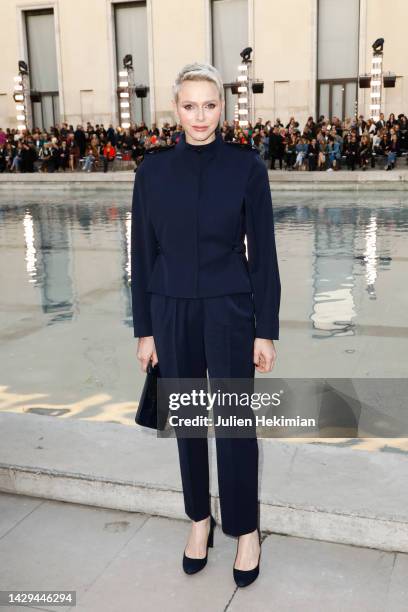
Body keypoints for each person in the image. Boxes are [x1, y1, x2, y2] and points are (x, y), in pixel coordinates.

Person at [131, 62, 281, 588]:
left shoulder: (247, 167)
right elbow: (142, 254)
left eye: (210, 104)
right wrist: (144, 329)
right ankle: (200, 519)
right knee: (188, 424)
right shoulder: (151, 171)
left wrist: (267, 330)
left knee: (237, 425)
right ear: (176, 109)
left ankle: (245, 529)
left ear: (224, 107)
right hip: (171, 310)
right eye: (189, 105)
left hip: (230, 309)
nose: (200, 116)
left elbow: (263, 255)